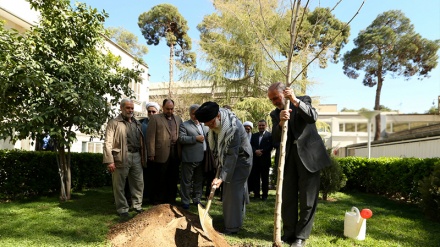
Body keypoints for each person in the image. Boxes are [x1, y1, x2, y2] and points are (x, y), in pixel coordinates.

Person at [268, 82, 331, 247]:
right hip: (287, 159)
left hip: (309, 157)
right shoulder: (275, 113)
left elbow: (312, 117)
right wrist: (281, 123)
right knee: (287, 197)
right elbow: (275, 137)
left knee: (307, 199)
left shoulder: (303, 100)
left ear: (285, 93)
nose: (274, 101)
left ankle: (301, 236)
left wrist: (295, 100)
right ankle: (289, 233)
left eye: (276, 97)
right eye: (271, 99)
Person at [195, 101, 252, 235]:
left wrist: (221, 178)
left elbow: (232, 155)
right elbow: (220, 151)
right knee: (231, 191)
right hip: (227, 159)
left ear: (218, 116)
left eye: (210, 123)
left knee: (232, 192)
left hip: (241, 160)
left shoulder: (233, 128)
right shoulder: (216, 125)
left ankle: (232, 228)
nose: (209, 127)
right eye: (206, 125)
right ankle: (234, 218)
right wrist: (219, 174)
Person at [103, 98, 146, 220]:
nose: (130, 110)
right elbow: (107, 143)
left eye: (132, 108)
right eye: (128, 107)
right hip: (120, 157)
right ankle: (122, 209)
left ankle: (137, 206)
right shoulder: (114, 122)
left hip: (136, 156)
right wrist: (110, 160)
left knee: (138, 183)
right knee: (119, 185)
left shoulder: (137, 123)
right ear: (121, 108)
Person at [146, 99, 183, 204]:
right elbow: (150, 137)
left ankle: (171, 200)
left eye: (171, 109)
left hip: (175, 153)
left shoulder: (178, 119)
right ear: (163, 107)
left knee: (173, 177)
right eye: (167, 109)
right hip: (160, 153)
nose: (170, 111)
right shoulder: (155, 118)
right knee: (159, 178)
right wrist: (151, 153)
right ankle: (157, 201)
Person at [179, 104, 209, 209]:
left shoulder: (205, 125)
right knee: (186, 181)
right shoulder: (184, 125)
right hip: (189, 158)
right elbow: (181, 139)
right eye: (193, 114)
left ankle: (197, 200)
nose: (195, 116)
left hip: (203, 158)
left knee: (199, 180)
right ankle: (185, 201)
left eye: (197, 114)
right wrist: (195, 138)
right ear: (190, 114)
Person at [139, 102, 160, 204]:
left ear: (158, 112)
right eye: (149, 111)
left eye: (153, 111)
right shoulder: (141, 123)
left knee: (155, 177)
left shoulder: (161, 122)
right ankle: (145, 196)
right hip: (144, 154)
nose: (151, 113)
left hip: (158, 155)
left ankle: (154, 198)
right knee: (144, 177)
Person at [248, 119, 273, 201]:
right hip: (255, 160)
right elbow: (250, 145)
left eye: (263, 125)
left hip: (265, 160)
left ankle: (265, 195)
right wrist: (255, 151)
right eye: (260, 125)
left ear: (265, 126)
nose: (261, 127)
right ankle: (256, 194)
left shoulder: (269, 135)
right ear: (258, 126)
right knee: (256, 178)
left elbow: (270, 146)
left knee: (265, 179)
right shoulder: (254, 135)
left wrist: (262, 151)